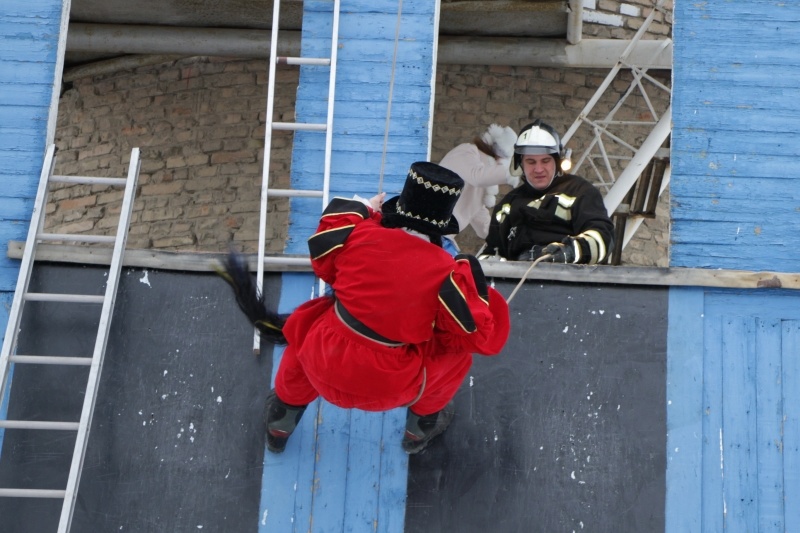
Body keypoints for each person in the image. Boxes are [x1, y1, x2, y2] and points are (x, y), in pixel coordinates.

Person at [218, 162, 510, 455]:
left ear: (397, 209)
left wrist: (368, 211)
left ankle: (281, 420)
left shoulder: (357, 235)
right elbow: (473, 336)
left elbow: (325, 265)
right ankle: (420, 427)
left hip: (324, 367)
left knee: (308, 327)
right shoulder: (449, 272)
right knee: (456, 359)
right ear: (441, 226)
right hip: (388, 388)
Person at [483, 119, 614, 264]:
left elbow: (603, 239)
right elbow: (489, 254)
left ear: (557, 161)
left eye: (545, 161)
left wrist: (569, 252)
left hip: (568, 280)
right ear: (520, 164)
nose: (538, 169)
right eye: (531, 162)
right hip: (517, 282)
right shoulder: (506, 206)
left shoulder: (580, 192)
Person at [438, 124, 519, 254]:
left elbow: (483, 224)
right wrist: (515, 171)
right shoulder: (466, 152)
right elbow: (478, 176)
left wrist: (510, 237)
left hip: (443, 239)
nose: (499, 167)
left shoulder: (479, 189)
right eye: (502, 163)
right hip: (427, 233)